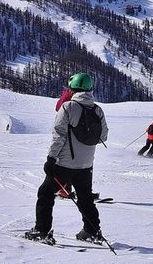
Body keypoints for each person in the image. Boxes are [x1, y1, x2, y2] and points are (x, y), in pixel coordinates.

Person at [26, 73, 109, 244]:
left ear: (72, 89)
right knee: (85, 198)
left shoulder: (68, 107)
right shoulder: (97, 110)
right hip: (86, 165)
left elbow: (59, 136)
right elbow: (104, 136)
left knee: (45, 193)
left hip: (64, 163)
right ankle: (92, 231)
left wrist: (51, 158)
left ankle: (42, 231)